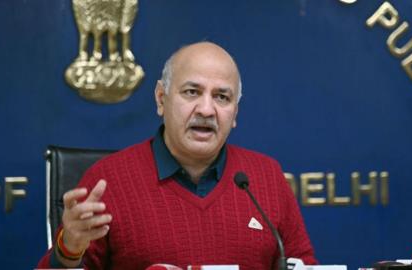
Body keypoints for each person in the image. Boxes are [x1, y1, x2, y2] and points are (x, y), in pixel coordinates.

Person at [37, 41, 317, 269]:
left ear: (235, 114)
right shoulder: (108, 181)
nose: (206, 110)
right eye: (192, 92)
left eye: (222, 97)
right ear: (161, 99)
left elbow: (303, 263)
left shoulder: (265, 177)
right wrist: (69, 250)